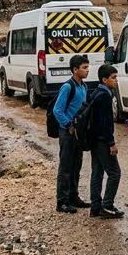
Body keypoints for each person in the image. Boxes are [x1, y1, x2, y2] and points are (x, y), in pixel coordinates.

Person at [54, 55, 91, 214]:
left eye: (88, 67)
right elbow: (57, 110)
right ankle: (62, 201)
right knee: (66, 167)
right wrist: (69, 125)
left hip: (78, 132)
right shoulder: (68, 87)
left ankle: (73, 196)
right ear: (75, 70)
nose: (87, 70)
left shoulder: (84, 86)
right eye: (84, 68)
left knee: (76, 165)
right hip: (68, 132)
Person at [89, 65, 124, 219]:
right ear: (104, 80)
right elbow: (105, 123)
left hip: (94, 139)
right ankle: (107, 205)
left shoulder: (96, 93)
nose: (116, 80)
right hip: (103, 140)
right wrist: (111, 143)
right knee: (115, 173)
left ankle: (95, 206)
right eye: (113, 77)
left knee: (97, 173)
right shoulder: (104, 97)